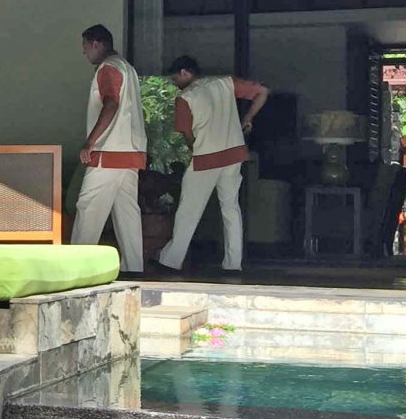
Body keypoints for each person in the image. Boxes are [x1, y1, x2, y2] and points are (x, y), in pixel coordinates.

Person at [157, 57, 270, 274]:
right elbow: (263, 91)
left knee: (189, 210)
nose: (175, 83)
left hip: (205, 158)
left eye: (175, 78)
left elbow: (187, 134)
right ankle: (233, 264)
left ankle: (171, 261)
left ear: (185, 72)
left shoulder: (185, 97)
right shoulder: (225, 83)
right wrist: (247, 118)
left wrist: (195, 148)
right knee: (231, 209)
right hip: (234, 154)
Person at [73, 24, 147, 276]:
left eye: (85, 47)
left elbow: (111, 104)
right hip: (131, 152)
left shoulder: (108, 68)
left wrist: (90, 142)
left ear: (96, 44)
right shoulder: (128, 68)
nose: (84, 53)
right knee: (127, 212)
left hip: (109, 152)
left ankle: (76, 268)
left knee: (88, 207)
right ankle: (134, 268)